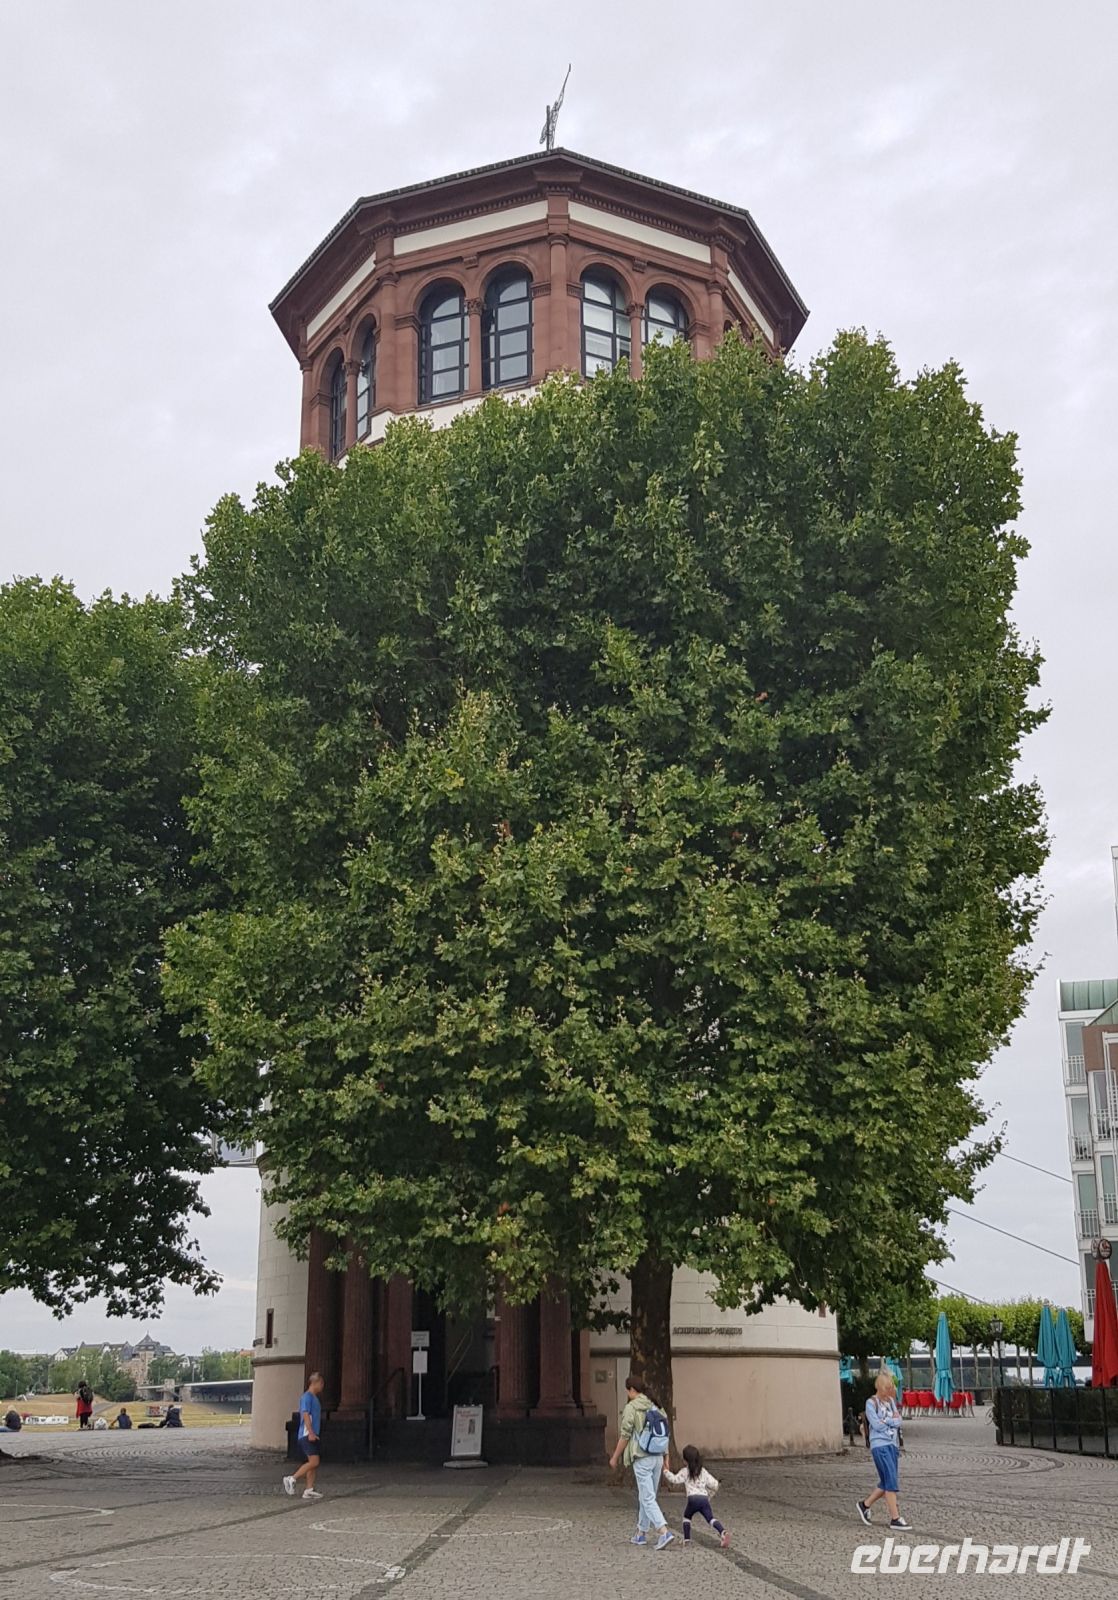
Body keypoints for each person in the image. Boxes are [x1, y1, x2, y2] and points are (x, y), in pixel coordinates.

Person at [607, 1372, 674, 1550]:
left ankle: (663, 1531)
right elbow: (664, 1433)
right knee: (646, 1496)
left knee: (647, 1497)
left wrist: (615, 1457)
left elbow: (625, 1435)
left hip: (642, 1457)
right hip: (658, 1457)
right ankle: (641, 1533)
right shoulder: (656, 1406)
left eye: (627, 1391)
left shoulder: (632, 1407)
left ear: (631, 1390)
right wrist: (667, 1456)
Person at [856, 1373, 911, 1531]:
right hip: (879, 1446)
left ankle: (864, 1505)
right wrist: (890, 1421)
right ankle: (895, 1518)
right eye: (887, 1388)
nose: (890, 1391)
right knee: (891, 1482)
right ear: (880, 1387)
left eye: (891, 1388)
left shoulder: (891, 1402)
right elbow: (877, 1425)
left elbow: (898, 1420)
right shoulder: (871, 1403)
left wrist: (888, 1421)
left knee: (887, 1481)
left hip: (892, 1445)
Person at [663, 1444, 730, 1548]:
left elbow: (675, 1480)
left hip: (693, 1499)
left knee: (687, 1517)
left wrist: (666, 1471)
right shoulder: (703, 1471)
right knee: (710, 1518)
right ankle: (723, 1532)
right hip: (703, 1499)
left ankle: (687, 1540)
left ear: (685, 1460)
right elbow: (715, 1485)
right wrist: (709, 1495)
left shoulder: (685, 1471)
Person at [283, 1371, 325, 1501]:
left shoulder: (314, 1398)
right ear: (315, 1383)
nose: (322, 1386)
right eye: (322, 1383)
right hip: (307, 1435)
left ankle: (309, 1489)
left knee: (311, 1463)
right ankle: (292, 1478)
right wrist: (311, 1432)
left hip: (312, 1434)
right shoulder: (307, 1397)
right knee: (314, 1461)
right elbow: (306, 1415)